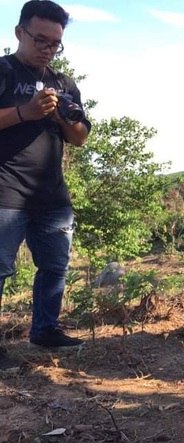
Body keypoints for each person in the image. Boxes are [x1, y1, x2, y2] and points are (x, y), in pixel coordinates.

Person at [0, 0, 91, 351]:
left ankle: (45, 331)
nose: (48, 50)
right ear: (20, 32)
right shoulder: (5, 71)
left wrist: (62, 119)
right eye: (41, 40)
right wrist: (25, 112)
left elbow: (80, 137)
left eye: (55, 43)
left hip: (52, 197)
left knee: (55, 267)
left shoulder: (62, 82)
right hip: (6, 192)